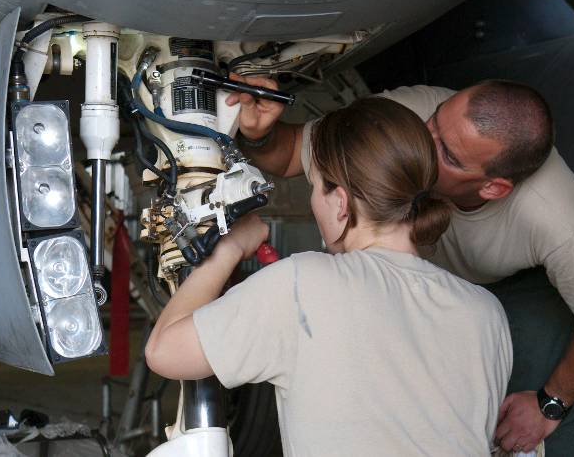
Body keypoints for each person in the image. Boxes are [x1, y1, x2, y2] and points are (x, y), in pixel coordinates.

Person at [227, 78, 574, 456]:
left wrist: (550, 404)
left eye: (449, 155)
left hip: (516, 285)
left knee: (528, 427)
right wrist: (259, 132)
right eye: (435, 124)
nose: (422, 141)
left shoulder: (557, 220)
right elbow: (291, 150)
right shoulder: (406, 117)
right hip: (406, 274)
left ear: (493, 188)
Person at [146, 97, 513, 456]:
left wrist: (228, 251)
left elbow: (165, 353)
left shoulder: (303, 283)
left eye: (315, 185)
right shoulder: (486, 311)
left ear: (340, 203)